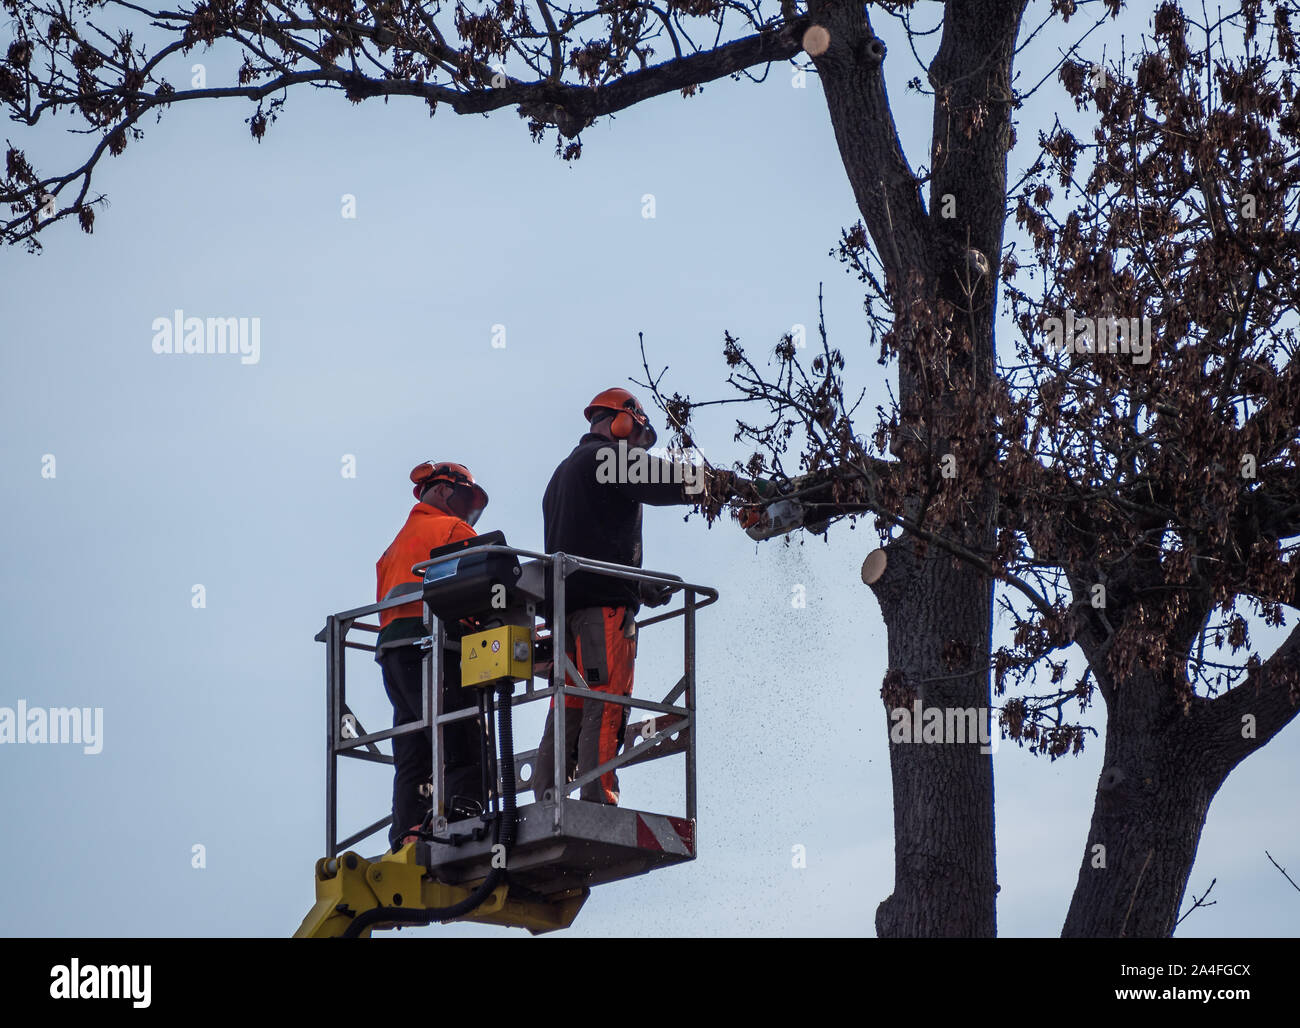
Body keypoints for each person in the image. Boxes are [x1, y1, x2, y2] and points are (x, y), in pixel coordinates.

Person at [533, 388, 739, 806]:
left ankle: (548, 796)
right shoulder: (602, 458)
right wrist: (728, 486)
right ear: (622, 421)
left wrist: (638, 584)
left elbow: (589, 544)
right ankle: (599, 797)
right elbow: (668, 480)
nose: (638, 452)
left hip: (567, 612)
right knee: (608, 702)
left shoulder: (561, 475)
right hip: (603, 611)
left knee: (570, 704)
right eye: (638, 440)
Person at [375, 461, 491, 848]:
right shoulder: (451, 530)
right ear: (443, 490)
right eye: (466, 498)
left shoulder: (394, 546)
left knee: (414, 745)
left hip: (394, 653)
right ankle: (463, 817)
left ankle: (408, 834)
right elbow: (485, 590)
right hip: (435, 648)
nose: (468, 511)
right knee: (462, 734)